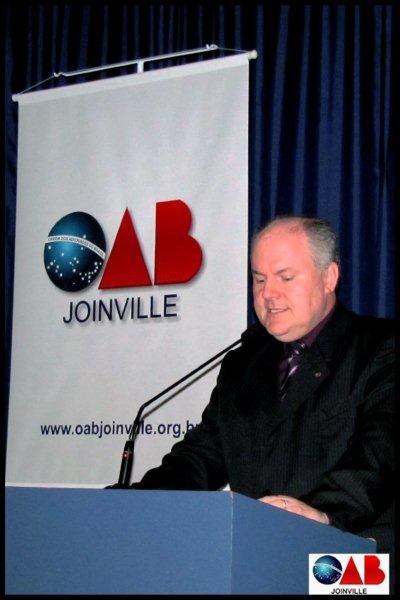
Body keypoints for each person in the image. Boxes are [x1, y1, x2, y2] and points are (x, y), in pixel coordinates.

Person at [122, 216, 395, 584]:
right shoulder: (244, 362)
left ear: (329, 277)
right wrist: (132, 504)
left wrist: (318, 514)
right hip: (258, 561)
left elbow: (379, 456)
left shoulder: (380, 348)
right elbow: (202, 457)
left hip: (352, 564)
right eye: (260, 279)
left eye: (285, 277)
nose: (268, 294)